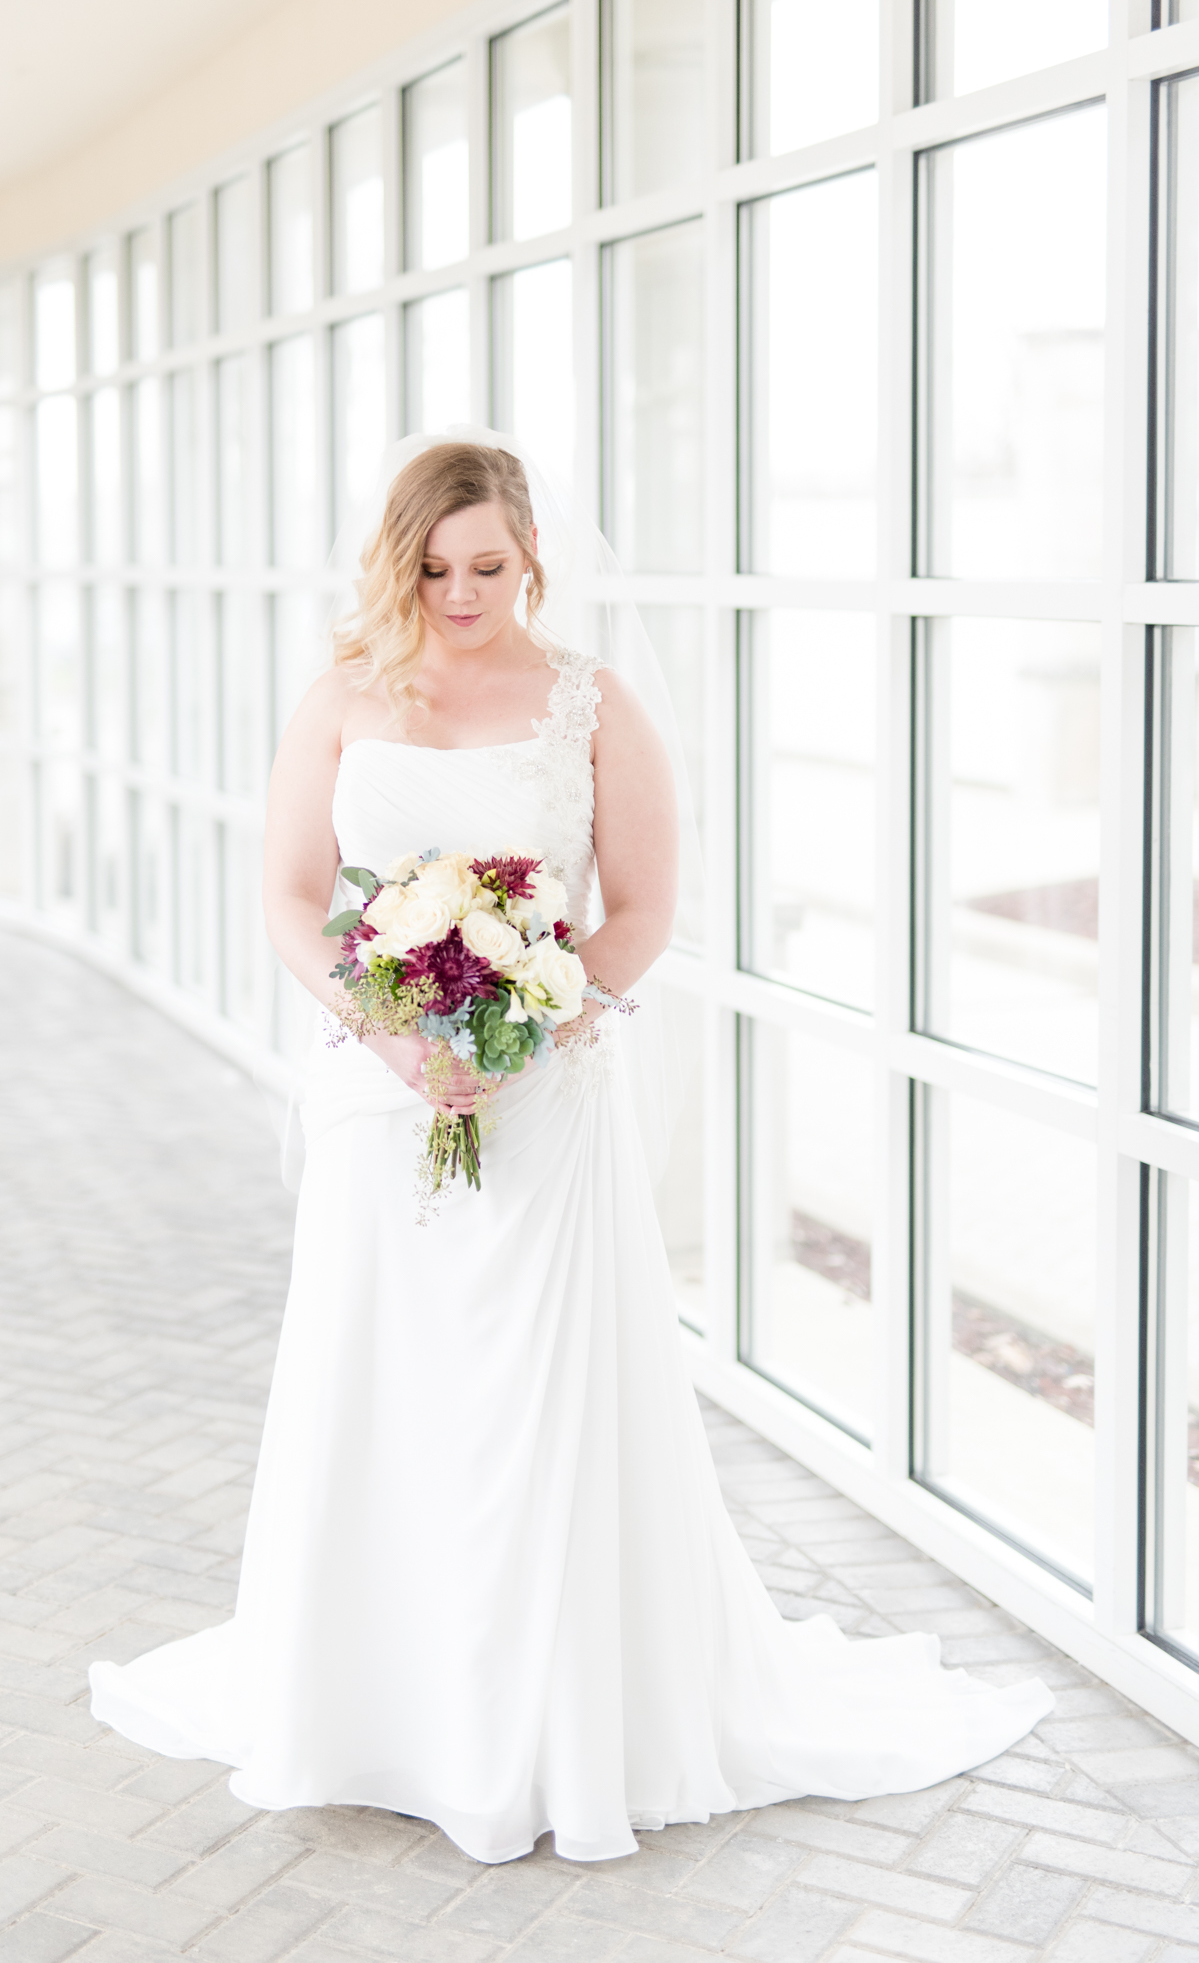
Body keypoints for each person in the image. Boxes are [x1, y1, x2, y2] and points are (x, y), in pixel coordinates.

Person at [89, 436, 1052, 1866]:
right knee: (387, 1383)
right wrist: (392, 1030)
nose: (461, 589)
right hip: (377, 1095)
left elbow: (644, 906)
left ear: (531, 554)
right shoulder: (343, 697)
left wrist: (529, 1026)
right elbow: (294, 895)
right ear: (398, 558)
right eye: (434, 564)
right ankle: (380, 1704)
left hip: (544, 1099)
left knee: (533, 1405)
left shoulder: (589, 705)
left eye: (487, 563)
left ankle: (547, 1713)